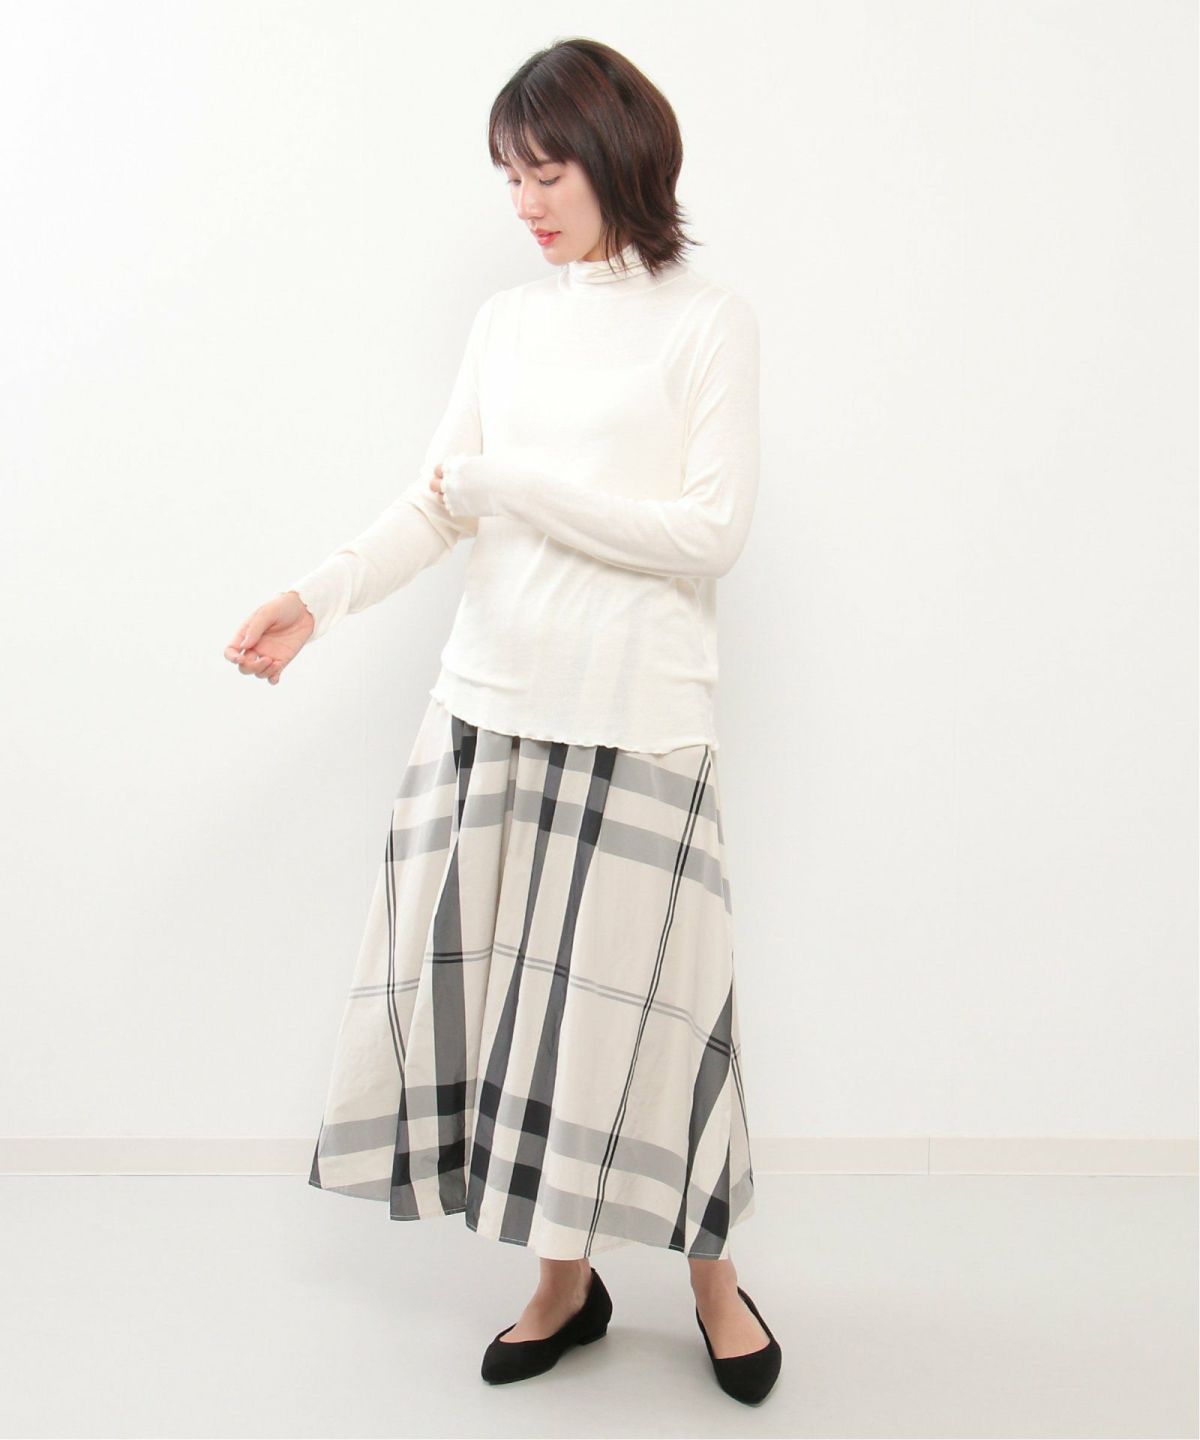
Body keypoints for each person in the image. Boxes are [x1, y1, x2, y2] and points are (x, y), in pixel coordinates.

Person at [223, 36, 780, 1405]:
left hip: (638, 717)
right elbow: (438, 505)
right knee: (528, 1026)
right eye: (510, 177)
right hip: (491, 705)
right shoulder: (510, 324)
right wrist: (316, 597)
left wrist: (515, 487)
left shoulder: (706, 320)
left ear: (619, 157)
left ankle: (715, 1284)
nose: (525, 203)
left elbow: (710, 533)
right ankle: (561, 1281)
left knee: (663, 1018)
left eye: (546, 172)